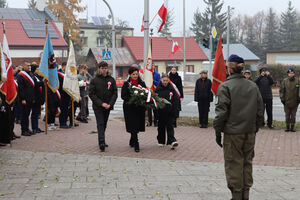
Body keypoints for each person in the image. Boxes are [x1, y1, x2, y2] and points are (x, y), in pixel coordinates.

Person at [213, 54, 264, 200]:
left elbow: (221, 113)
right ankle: (245, 195)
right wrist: (255, 127)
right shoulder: (253, 86)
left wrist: (217, 131)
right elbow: (260, 110)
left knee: (234, 164)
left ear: (229, 69)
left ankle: (236, 196)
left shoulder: (225, 86)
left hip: (233, 133)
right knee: (247, 162)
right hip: (249, 132)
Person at [89, 61, 117, 152]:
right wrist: (101, 103)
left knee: (104, 123)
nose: (104, 70)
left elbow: (115, 93)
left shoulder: (111, 79)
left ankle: (102, 139)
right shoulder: (94, 80)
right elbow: (91, 94)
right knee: (100, 123)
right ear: (99, 69)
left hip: (108, 106)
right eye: (102, 68)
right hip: (98, 106)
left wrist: (110, 104)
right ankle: (101, 142)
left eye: (105, 68)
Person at [121, 65, 146, 153]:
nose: (135, 76)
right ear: (130, 75)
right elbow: (123, 96)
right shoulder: (126, 84)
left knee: (137, 125)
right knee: (133, 124)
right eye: (133, 74)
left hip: (139, 108)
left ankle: (132, 139)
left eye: (136, 74)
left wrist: (140, 98)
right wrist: (132, 99)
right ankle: (136, 143)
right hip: (129, 108)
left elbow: (146, 93)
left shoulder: (142, 83)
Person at [155, 73, 179, 149]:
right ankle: (161, 141)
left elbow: (176, 101)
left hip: (170, 112)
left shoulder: (172, 89)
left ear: (168, 80)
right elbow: (155, 101)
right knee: (161, 127)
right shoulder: (157, 89)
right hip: (161, 112)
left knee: (170, 127)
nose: (165, 82)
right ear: (161, 80)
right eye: (164, 80)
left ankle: (172, 141)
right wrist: (156, 113)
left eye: (166, 80)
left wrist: (175, 111)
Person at [17, 61, 36, 136]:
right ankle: (23, 130)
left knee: (27, 115)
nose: (29, 67)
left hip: (30, 98)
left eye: (29, 66)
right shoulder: (20, 75)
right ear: (23, 66)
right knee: (24, 115)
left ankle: (27, 129)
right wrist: (23, 99)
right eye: (27, 66)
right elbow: (20, 88)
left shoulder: (30, 74)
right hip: (24, 99)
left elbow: (33, 87)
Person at [280, 68, 299, 132]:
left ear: (294, 74)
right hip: (287, 102)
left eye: (292, 73)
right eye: (290, 73)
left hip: (295, 102)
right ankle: (287, 127)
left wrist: (299, 99)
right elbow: (282, 91)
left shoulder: (297, 81)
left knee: (293, 116)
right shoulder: (285, 81)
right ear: (288, 74)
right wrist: (282, 99)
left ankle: (292, 127)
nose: (291, 74)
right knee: (287, 115)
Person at [31, 63, 44, 134]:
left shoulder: (38, 76)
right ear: (34, 70)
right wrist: (42, 82)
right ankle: (34, 128)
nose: (38, 70)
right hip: (35, 98)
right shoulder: (32, 77)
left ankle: (36, 127)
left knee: (37, 113)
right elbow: (35, 85)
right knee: (34, 114)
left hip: (39, 98)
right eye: (37, 69)